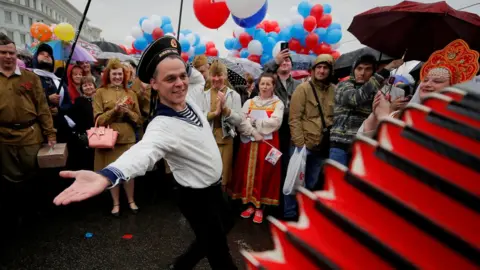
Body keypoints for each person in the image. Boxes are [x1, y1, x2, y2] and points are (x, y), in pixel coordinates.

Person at [53, 36, 237, 270]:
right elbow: (142, 153)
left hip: (214, 189)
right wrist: (107, 175)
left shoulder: (189, 97)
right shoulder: (161, 126)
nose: (180, 83)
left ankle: (180, 265)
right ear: (154, 83)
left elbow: (198, 77)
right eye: (170, 78)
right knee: (220, 253)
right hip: (196, 197)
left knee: (225, 225)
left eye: (182, 76)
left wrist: (178, 62)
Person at [364, 39, 479, 131]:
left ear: (453, 87)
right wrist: (376, 116)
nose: (427, 84)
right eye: (425, 80)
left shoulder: (452, 118)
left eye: (437, 81)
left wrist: (384, 116)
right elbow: (369, 137)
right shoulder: (407, 112)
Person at [0, 33, 56, 225]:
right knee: (10, 178)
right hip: (4, 137)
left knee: (32, 173)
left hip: (30, 134)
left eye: (12, 53)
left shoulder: (30, 78)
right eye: (3, 53)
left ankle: (35, 212)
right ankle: (17, 213)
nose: (8, 56)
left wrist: (50, 133)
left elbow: (42, 108)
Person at [228, 73, 284, 224]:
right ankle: (250, 204)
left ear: (273, 86)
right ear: (258, 85)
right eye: (262, 84)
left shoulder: (277, 103)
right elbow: (241, 121)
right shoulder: (250, 102)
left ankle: (260, 207)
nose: (265, 87)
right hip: (250, 143)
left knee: (264, 173)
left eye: (268, 84)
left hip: (267, 144)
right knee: (247, 172)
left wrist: (255, 122)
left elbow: (276, 122)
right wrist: (253, 129)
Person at [285, 54, 336, 219]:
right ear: (313, 70)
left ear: (330, 70)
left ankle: (303, 215)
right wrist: (300, 144)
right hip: (303, 145)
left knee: (311, 183)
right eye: (318, 67)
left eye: (325, 68)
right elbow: (294, 118)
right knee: (294, 182)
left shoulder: (334, 90)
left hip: (322, 146)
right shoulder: (303, 89)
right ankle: (290, 215)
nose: (321, 71)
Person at [329, 54, 403, 166]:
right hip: (340, 143)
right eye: (359, 69)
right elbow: (354, 99)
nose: (362, 73)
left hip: (362, 143)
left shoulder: (376, 89)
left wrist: (392, 106)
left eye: (368, 69)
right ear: (353, 70)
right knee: (336, 178)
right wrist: (385, 70)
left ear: (373, 72)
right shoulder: (344, 85)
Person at [93, 58, 142, 216]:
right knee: (112, 172)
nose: (117, 77)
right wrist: (114, 110)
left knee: (129, 172)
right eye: (114, 74)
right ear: (108, 75)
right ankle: (116, 203)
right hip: (109, 140)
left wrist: (127, 112)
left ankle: (131, 201)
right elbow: (98, 120)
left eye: (120, 74)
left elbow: (139, 120)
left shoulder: (131, 94)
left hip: (127, 138)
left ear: (124, 75)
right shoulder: (100, 92)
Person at [203, 60, 242, 187]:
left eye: (219, 75)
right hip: (209, 140)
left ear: (225, 76)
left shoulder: (234, 95)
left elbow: (238, 120)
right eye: (213, 75)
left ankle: (223, 204)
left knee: (224, 177)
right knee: (209, 174)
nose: (216, 78)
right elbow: (200, 116)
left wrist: (225, 110)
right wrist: (214, 113)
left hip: (226, 141)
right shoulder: (204, 95)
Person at [263, 49, 301, 182]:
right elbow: (265, 73)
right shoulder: (270, 83)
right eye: (282, 59)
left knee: (287, 169)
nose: (285, 62)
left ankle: (284, 200)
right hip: (273, 133)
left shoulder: (299, 85)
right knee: (270, 167)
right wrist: (275, 61)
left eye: (288, 60)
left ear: (292, 64)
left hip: (291, 134)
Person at [32, 43, 72, 143]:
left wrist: (59, 110)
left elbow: (68, 104)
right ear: (35, 57)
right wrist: (47, 99)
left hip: (60, 129)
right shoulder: (30, 78)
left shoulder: (59, 81)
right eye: (42, 53)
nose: (46, 56)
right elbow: (26, 101)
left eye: (49, 55)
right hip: (39, 131)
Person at [66, 76, 96, 171]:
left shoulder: (100, 99)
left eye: (90, 84)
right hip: (86, 136)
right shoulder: (79, 101)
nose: (88, 87)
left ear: (94, 86)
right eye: (85, 85)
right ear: (82, 89)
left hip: (100, 133)